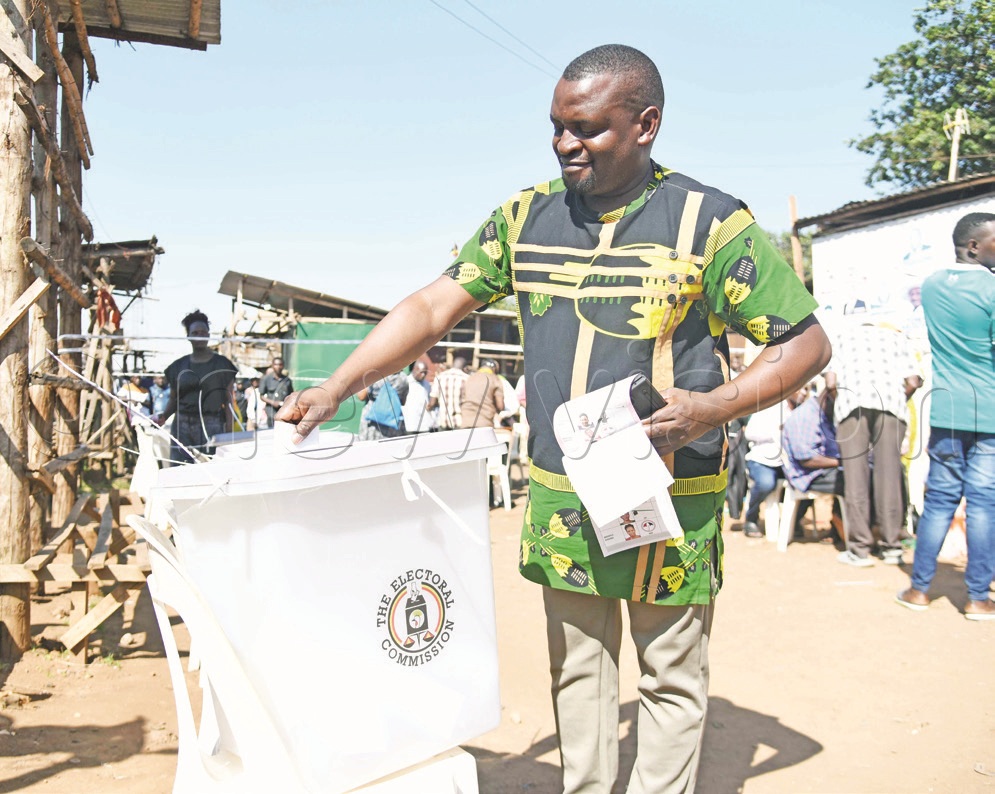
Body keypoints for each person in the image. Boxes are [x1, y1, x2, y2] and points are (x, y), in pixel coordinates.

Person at [278, 44, 830, 793]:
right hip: (563, 492)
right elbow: (433, 306)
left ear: (646, 125)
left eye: (588, 128)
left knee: (667, 675)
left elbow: (804, 342)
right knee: (577, 670)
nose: (565, 144)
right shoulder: (525, 217)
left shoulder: (710, 222)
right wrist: (341, 381)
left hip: (670, 493)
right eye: (556, 126)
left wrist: (714, 408)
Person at [897, 212, 995, 620]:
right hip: (990, 411)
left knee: (938, 501)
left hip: (947, 408)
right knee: (984, 505)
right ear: (974, 246)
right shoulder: (992, 287)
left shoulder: (932, 285)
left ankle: (919, 590)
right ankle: (977, 598)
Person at [825, 317, 922, 566]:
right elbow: (913, 381)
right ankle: (891, 547)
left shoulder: (841, 337)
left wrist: (839, 404)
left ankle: (860, 550)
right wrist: (898, 399)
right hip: (891, 406)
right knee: (889, 476)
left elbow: (831, 382)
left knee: (856, 478)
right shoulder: (896, 337)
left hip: (851, 406)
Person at [153, 310, 237, 464]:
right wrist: (163, 416)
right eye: (195, 332)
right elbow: (174, 398)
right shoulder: (178, 366)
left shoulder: (222, 365)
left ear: (209, 334)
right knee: (180, 470)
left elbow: (229, 401)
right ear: (188, 336)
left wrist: (228, 433)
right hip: (182, 426)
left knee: (211, 467)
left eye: (203, 332)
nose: (200, 335)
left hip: (212, 425)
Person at [740, 386, 808, 538]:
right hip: (764, 459)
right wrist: (778, 431)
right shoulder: (770, 408)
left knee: (809, 483)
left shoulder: (804, 412)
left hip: (790, 463)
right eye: (801, 388)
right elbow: (750, 433)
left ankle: (794, 521)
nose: (803, 392)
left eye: (807, 389)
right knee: (766, 483)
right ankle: (751, 518)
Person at [781, 383, 845, 544]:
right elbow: (807, 459)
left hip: (821, 472)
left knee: (864, 472)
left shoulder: (823, 414)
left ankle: (841, 528)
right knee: (855, 479)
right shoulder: (806, 416)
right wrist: (842, 461)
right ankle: (850, 532)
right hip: (807, 475)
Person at [460, 358, 504, 429]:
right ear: (494, 369)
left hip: (466, 421)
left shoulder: (470, 378)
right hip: (484, 423)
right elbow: (500, 405)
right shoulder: (495, 379)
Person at [429, 353, 469, 430]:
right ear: (464, 368)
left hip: (443, 421)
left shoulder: (440, 377)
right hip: (459, 422)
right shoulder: (466, 379)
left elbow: (432, 401)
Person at [402, 359, 435, 433]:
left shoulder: (426, 384)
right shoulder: (406, 382)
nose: (423, 375)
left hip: (424, 425)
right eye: (421, 372)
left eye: (425, 373)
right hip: (410, 425)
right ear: (414, 370)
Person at [259, 356, 294, 427]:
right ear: (272, 366)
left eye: (280, 365)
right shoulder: (266, 379)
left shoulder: (287, 380)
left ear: (283, 366)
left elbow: (291, 395)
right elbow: (261, 396)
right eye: (276, 364)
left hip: (284, 412)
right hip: (271, 412)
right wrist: (273, 402)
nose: (278, 367)